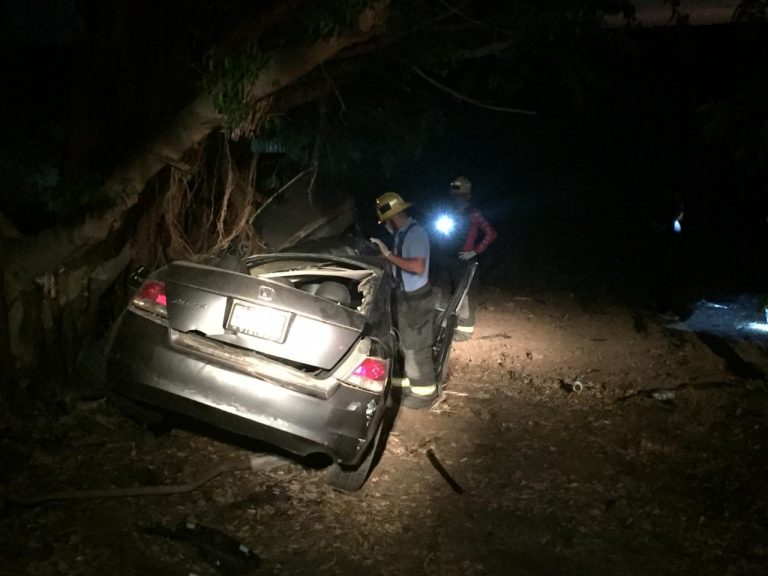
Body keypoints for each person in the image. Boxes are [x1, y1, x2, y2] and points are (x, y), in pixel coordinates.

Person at [370, 191, 438, 410]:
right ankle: (412, 383)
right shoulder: (402, 234)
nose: (385, 225)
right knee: (406, 342)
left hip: (416, 298)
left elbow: (417, 267)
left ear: (393, 216)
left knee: (417, 345)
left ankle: (425, 394)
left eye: (386, 221)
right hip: (405, 296)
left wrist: (388, 255)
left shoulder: (415, 234)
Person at [441, 176, 497, 340]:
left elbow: (491, 233)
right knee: (447, 292)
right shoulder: (449, 213)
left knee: (465, 294)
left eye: (460, 196)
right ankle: (447, 326)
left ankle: (465, 330)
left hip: (465, 260)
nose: (457, 200)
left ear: (467, 196)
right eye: (455, 196)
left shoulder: (474, 213)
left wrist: (475, 251)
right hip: (448, 257)